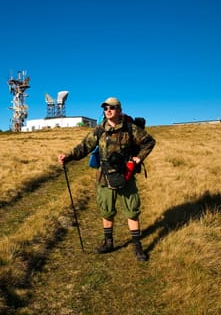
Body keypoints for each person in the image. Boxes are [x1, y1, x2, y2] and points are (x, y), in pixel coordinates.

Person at [58, 97, 156, 261]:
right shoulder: (99, 130)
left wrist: (138, 159)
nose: (108, 110)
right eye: (105, 108)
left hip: (126, 175)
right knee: (106, 209)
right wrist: (67, 156)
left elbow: (149, 142)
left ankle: (137, 247)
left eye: (111, 107)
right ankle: (108, 242)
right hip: (104, 177)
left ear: (119, 109)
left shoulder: (130, 128)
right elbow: (84, 147)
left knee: (132, 210)